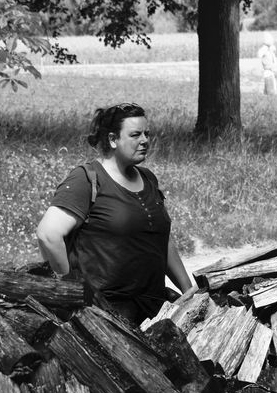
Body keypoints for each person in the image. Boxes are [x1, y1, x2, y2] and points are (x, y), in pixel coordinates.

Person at [35, 103, 194, 324]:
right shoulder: (87, 179)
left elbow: (161, 240)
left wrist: (189, 292)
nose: (145, 140)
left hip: (155, 309)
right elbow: (48, 234)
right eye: (135, 134)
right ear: (112, 139)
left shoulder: (148, 179)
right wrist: (70, 292)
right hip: (108, 316)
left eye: (146, 134)